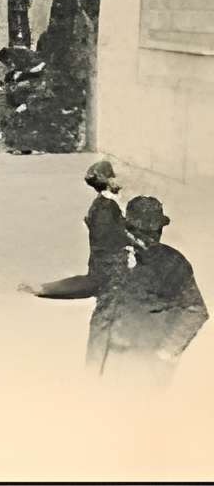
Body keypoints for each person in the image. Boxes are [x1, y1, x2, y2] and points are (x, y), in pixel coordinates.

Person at [23, 159, 140, 372]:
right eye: (114, 178)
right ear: (109, 181)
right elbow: (111, 246)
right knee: (106, 333)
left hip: (111, 274)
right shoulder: (107, 209)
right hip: (113, 277)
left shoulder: (102, 207)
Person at [106, 196, 207, 385]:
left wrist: (165, 352)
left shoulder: (173, 263)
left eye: (153, 231)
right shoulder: (119, 257)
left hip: (148, 362)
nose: (150, 236)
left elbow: (195, 310)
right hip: (114, 356)